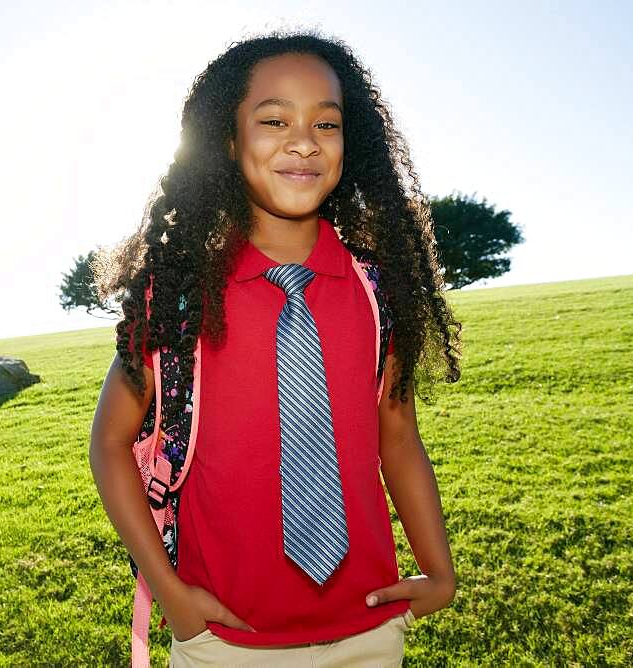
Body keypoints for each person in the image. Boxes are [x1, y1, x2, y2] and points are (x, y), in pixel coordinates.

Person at [89, 28, 462, 667]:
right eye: (273, 119)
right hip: (227, 642)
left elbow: (396, 435)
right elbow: (109, 441)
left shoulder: (376, 293)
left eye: (327, 123)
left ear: (353, 143)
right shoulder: (180, 299)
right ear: (228, 143)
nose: (302, 141)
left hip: (368, 633)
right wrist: (173, 595)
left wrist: (439, 569)